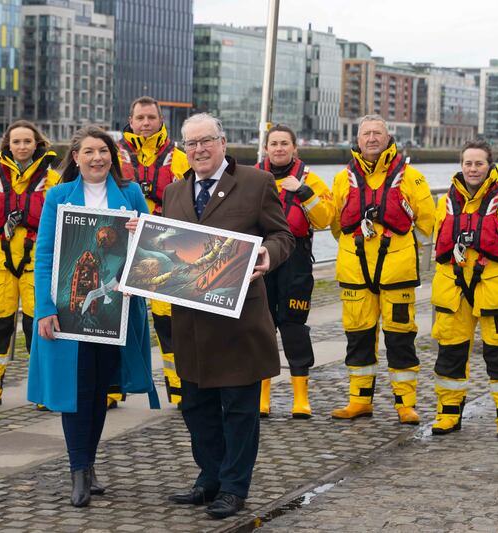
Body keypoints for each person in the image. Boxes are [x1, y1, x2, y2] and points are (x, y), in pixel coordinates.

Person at [162, 113, 294, 519]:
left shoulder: (256, 183)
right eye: (190, 144)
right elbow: (168, 246)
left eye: (206, 141)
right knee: (196, 406)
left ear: (222, 142)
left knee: (239, 409)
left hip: (238, 321)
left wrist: (268, 255)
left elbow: (283, 234)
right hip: (190, 321)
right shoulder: (173, 192)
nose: (198, 150)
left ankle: (234, 487)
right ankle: (210, 478)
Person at [27, 126, 159, 508]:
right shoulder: (57, 197)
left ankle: (90, 463)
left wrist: (139, 232)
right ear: (76, 157)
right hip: (70, 311)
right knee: (76, 390)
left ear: (112, 156)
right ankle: (78, 471)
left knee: (100, 390)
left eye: (103, 151)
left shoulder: (131, 194)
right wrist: (45, 309)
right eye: (89, 151)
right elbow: (46, 257)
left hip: (114, 310)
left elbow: (151, 248)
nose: (97, 158)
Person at [329, 114, 435, 425]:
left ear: (388, 137)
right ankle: (359, 401)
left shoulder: (411, 177)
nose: (372, 138)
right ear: (358, 140)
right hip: (355, 273)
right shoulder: (341, 179)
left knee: (400, 338)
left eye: (378, 133)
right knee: (358, 337)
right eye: (366, 134)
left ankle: (406, 404)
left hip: (396, 272)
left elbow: (428, 222)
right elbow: (336, 225)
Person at [430, 140, 498, 439]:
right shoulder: (446, 202)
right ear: (461, 165)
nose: (473, 168)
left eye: (479, 163)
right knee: (450, 352)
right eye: (468, 163)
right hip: (454, 288)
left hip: (495, 288)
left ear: (490, 165)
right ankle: (448, 414)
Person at [0, 120, 60, 409]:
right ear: (7, 145)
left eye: (27, 141)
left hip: (35, 267)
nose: (21, 147)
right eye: (16, 142)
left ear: (37, 144)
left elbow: (62, 219)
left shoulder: (52, 180)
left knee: (39, 329)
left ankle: (42, 391)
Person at [255, 124, 336, 419]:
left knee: (294, 326)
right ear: (266, 148)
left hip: (296, 260)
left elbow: (326, 217)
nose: (278, 148)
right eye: (273, 143)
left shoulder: (310, 180)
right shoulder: (252, 177)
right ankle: (262, 395)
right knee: (261, 326)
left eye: (284, 143)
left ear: (294, 148)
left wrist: (303, 192)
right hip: (260, 258)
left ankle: (300, 397)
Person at [115, 96, 191, 407]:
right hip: (121, 248)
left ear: (161, 121)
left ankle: (178, 388)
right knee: (116, 321)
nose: (145, 123)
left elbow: (193, 200)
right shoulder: (113, 156)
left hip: (163, 249)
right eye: (140, 118)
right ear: (130, 121)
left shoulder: (179, 158)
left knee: (168, 322)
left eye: (151, 118)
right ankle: (112, 386)